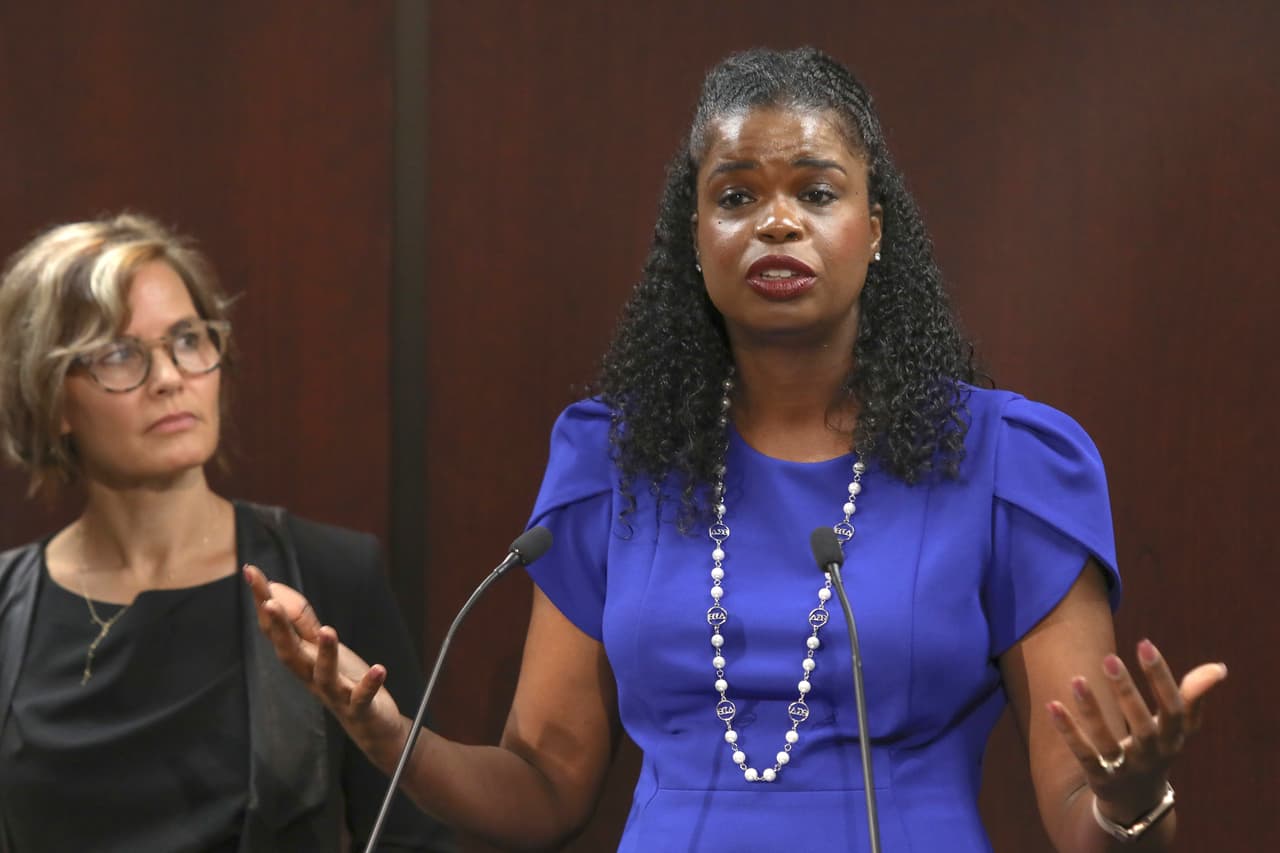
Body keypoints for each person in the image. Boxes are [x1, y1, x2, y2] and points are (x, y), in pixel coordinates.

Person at [249, 48, 1227, 851]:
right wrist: (385, 735)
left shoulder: (1006, 461)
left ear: (874, 230)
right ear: (696, 236)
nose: (774, 221)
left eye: (815, 191)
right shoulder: (613, 462)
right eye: (734, 197)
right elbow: (541, 788)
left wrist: (1129, 798)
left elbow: (1081, 818)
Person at [0, 213, 455, 852]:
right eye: (120, 354)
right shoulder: (7, 602)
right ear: (49, 397)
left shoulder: (328, 572)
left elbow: (417, 838)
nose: (169, 377)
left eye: (187, 339)